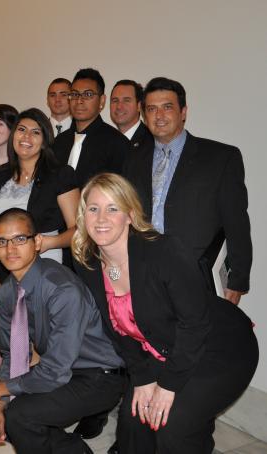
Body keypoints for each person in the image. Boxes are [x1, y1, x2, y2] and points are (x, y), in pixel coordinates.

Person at [71, 173, 258, 454]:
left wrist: (168, 386)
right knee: (133, 423)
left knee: (173, 424)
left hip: (218, 348)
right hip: (164, 347)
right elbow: (115, 330)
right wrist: (143, 377)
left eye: (113, 209)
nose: (101, 218)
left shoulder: (163, 252)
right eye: (93, 209)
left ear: (130, 216)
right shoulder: (87, 263)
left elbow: (194, 326)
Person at [0, 208, 126, 454]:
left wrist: (2, 390)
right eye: (2, 242)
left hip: (100, 376)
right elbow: (13, 356)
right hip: (65, 370)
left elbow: (54, 371)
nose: (10, 249)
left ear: (37, 242)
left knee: (20, 416)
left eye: (20, 239)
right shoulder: (6, 294)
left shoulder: (61, 289)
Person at [123, 77, 252, 305]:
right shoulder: (131, 159)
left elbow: (237, 222)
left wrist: (237, 280)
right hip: (142, 277)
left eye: (167, 107)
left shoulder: (220, 158)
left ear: (183, 112)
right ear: (144, 115)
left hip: (197, 278)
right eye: (151, 109)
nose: (159, 116)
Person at [0, 108, 79, 306]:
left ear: (44, 140)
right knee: (7, 333)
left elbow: (78, 230)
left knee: (37, 332)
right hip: (2, 266)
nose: (26, 137)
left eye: (35, 132)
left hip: (44, 265)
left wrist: (50, 242)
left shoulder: (60, 175)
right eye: (21, 130)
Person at [52, 68, 130, 187]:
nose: (79, 100)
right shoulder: (58, 142)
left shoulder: (118, 144)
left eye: (88, 94)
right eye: (74, 94)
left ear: (102, 101)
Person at [110, 79, 150, 149]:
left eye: (126, 100)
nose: (119, 106)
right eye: (115, 100)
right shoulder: (105, 140)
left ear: (139, 106)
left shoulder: (152, 140)